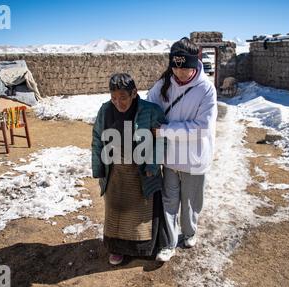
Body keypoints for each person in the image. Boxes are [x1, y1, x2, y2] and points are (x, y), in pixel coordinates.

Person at [147, 37, 218, 262]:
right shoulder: (163, 84)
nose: (180, 73)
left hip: (194, 159)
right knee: (169, 202)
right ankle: (168, 244)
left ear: (194, 63)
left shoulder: (206, 90)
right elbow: (149, 106)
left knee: (190, 203)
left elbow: (202, 128)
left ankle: (189, 232)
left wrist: (165, 130)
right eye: (175, 67)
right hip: (170, 158)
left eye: (184, 67)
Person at [91, 73, 168, 265]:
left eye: (123, 97)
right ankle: (117, 250)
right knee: (117, 211)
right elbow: (97, 139)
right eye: (114, 98)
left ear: (134, 93)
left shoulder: (150, 111)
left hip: (141, 172)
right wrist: (98, 167)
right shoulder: (105, 111)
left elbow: (162, 139)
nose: (118, 102)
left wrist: (152, 164)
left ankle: (144, 248)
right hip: (116, 172)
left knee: (141, 212)